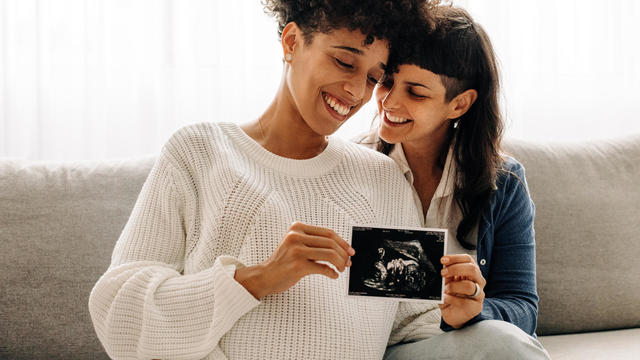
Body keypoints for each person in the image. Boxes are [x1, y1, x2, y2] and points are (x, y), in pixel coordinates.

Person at [88, 1, 431, 359]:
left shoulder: (383, 179)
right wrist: (258, 279)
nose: (357, 91)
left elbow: (411, 321)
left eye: (374, 78)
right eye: (345, 62)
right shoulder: (199, 153)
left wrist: (463, 310)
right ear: (292, 42)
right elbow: (117, 314)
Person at [358, 3, 551, 359]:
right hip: (373, 347)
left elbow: (523, 307)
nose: (389, 100)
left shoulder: (504, 183)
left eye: (416, 92)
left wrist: (477, 311)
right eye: (386, 80)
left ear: (459, 104)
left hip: (462, 344)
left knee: (504, 342)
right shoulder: (351, 167)